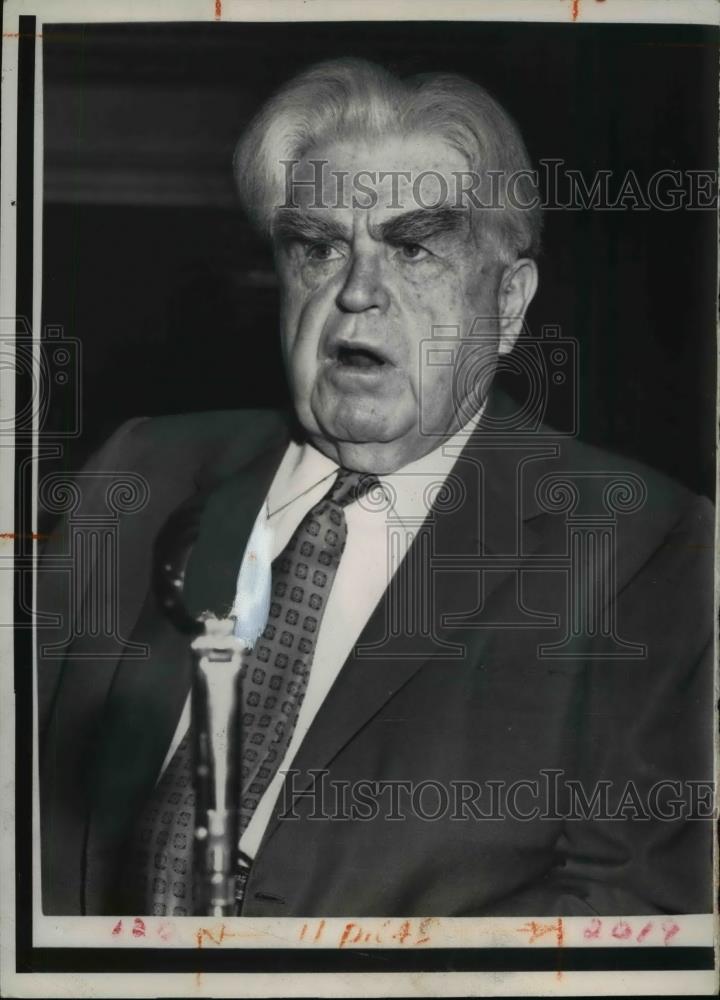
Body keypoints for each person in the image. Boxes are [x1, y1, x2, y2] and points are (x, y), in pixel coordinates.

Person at [38, 58, 714, 917]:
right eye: (318, 248)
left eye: (415, 248)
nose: (356, 293)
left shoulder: (646, 546)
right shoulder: (138, 472)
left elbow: (626, 913)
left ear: (508, 304)